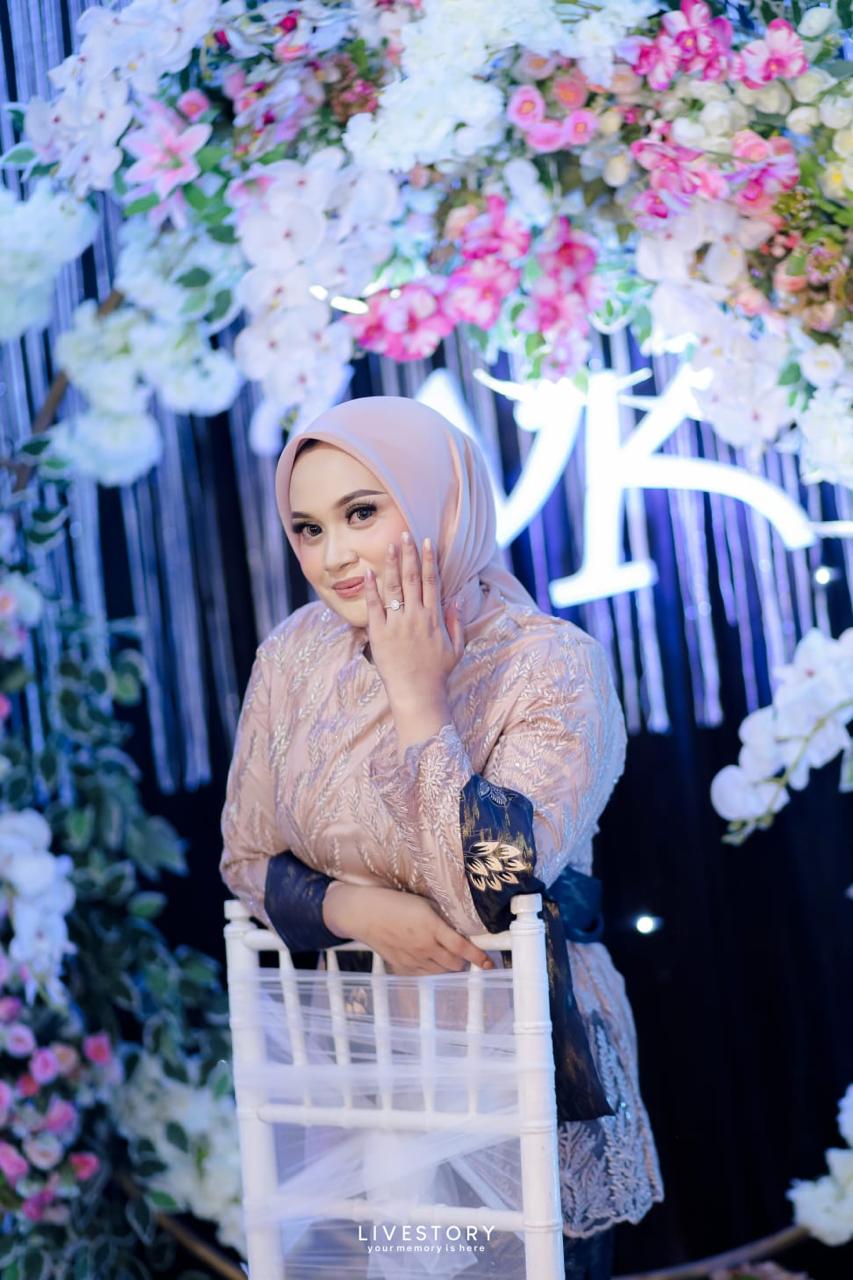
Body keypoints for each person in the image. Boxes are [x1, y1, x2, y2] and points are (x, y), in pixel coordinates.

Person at [220, 395, 664, 1278]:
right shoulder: (293, 656)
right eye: (308, 529)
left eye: (361, 513)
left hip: (514, 1065)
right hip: (355, 1072)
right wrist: (352, 910)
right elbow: (245, 858)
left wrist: (417, 699)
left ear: (441, 499)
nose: (333, 556)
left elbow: (493, 893)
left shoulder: (549, 664)